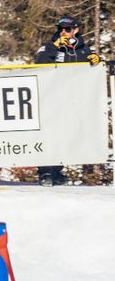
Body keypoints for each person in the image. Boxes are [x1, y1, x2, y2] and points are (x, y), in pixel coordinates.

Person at [34, 16, 103, 186]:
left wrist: (96, 60)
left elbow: (91, 70)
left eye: (67, 29)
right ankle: (45, 172)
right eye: (60, 29)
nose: (63, 32)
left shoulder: (83, 49)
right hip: (51, 98)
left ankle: (57, 171)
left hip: (73, 100)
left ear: (76, 30)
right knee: (49, 135)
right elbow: (40, 61)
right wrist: (54, 47)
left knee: (67, 136)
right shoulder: (50, 46)